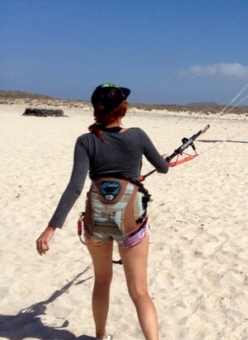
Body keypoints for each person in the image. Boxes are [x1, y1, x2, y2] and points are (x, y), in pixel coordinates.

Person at [36, 83, 169, 340]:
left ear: (96, 110)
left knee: (102, 281)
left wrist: (51, 229)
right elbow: (162, 168)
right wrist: (158, 158)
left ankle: (100, 336)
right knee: (139, 291)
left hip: (96, 222)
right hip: (131, 221)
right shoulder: (138, 136)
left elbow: (75, 188)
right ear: (123, 108)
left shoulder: (85, 141)